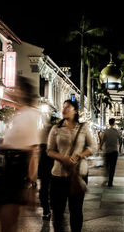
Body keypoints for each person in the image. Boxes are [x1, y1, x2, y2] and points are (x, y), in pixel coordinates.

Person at [0, 76, 41, 232]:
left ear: (23, 91)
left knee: (8, 220)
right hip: (10, 167)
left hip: (16, 169)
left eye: (16, 88)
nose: (13, 91)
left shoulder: (30, 115)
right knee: (7, 219)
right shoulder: (20, 114)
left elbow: (33, 151)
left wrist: (32, 184)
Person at [47, 99, 95, 232]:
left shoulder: (83, 128)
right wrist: (63, 158)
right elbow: (49, 150)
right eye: (63, 107)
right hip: (59, 175)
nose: (64, 110)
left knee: (76, 211)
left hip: (77, 174)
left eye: (67, 107)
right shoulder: (56, 128)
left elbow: (93, 147)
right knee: (58, 212)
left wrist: (79, 155)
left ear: (75, 111)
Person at [38, 116, 56, 220]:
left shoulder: (41, 131)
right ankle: (52, 205)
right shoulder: (56, 130)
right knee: (53, 186)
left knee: (44, 187)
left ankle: (46, 210)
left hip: (44, 162)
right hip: (53, 161)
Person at [100, 118, 121, 187]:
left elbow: (103, 140)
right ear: (114, 123)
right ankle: (110, 182)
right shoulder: (117, 131)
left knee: (107, 166)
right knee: (113, 167)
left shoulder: (106, 132)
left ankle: (106, 178)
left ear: (109, 123)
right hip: (114, 151)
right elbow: (120, 140)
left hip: (107, 151)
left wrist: (100, 147)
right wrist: (120, 147)